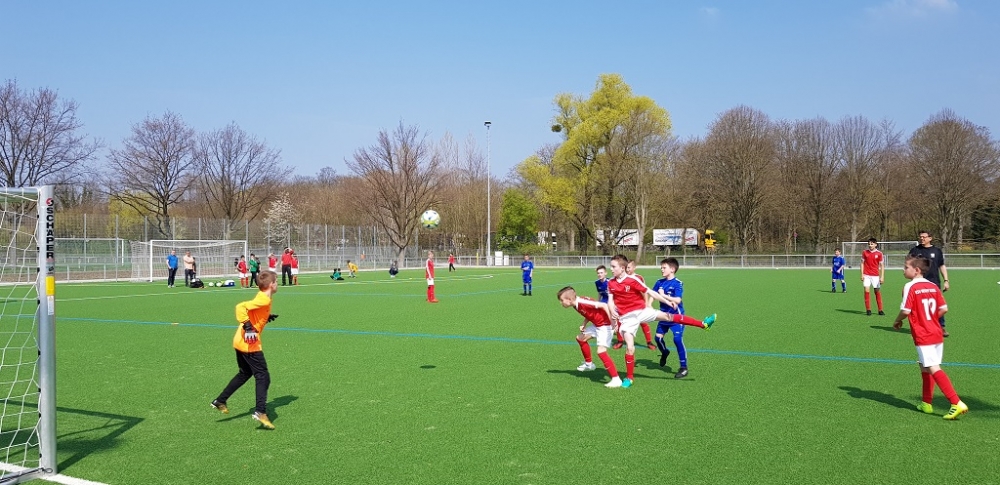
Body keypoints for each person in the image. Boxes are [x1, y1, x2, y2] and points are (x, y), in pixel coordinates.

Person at [607, 254, 716, 388]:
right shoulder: (610, 282)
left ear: (622, 268)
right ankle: (629, 378)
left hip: (641, 311)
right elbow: (610, 301)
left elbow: (651, 293)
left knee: (668, 316)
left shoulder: (633, 280)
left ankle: (703, 324)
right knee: (630, 347)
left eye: (613, 266)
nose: (611, 269)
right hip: (627, 318)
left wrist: (667, 301)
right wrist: (612, 312)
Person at [891, 256, 967, 420]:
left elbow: (906, 311)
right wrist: (931, 319)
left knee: (933, 367)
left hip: (923, 334)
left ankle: (956, 402)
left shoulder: (910, 286)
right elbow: (944, 309)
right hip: (936, 332)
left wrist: (897, 321)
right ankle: (926, 403)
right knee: (924, 365)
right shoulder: (933, 286)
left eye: (906, 267)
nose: (903, 270)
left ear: (916, 270)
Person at [211, 270, 281, 429]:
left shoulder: (263, 298)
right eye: (276, 281)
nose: (277, 284)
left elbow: (253, 310)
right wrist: (249, 326)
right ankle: (260, 411)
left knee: (245, 373)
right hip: (250, 344)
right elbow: (240, 307)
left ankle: (220, 400)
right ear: (271, 285)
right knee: (263, 376)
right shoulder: (264, 299)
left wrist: (265, 317)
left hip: (240, 341)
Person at [652, 257, 708, 379]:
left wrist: (664, 295)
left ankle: (684, 367)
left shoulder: (677, 283)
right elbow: (652, 294)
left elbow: (678, 300)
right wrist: (649, 304)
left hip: (676, 317)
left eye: (664, 268)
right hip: (663, 316)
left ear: (672, 269)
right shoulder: (659, 282)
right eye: (661, 267)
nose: (661, 270)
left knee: (677, 339)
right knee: (657, 339)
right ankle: (665, 352)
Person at [557, 286, 622, 388]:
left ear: (569, 299)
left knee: (601, 352)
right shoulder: (575, 303)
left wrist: (613, 322)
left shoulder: (583, 302)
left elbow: (604, 305)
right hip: (597, 324)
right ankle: (589, 364)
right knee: (580, 338)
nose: (561, 303)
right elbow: (590, 312)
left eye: (562, 300)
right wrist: (584, 323)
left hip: (605, 326)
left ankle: (616, 379)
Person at [908, 230, 951, 337]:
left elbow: (941, 266)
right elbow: (909, 265)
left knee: (937, 305)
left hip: (934, 282)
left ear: (930, 238)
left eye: (924, 237)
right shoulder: (915, 250)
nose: (922, 238)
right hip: (918, 283)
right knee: (919, 306)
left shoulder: (937, 251)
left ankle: (941, 327)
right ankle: (921, 326)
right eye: (920, 237)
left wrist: (946, 280)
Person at [860, 238, 885, 316]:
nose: (870, 245)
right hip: (866, 275)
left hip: (875, 276)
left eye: (872, 244)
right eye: (869, 244)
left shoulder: (879, 253)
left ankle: (880, 310)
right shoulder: (865, 252)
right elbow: (862, 263)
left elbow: (882, 265)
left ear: (875, 244)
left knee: (877, 291)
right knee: (866, 290)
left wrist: (882, 276)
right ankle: (868, 309)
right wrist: (862, 274)